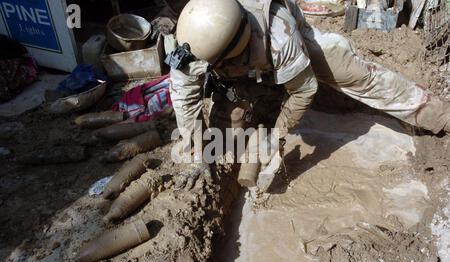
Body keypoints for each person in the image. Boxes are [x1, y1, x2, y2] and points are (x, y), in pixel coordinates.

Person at [168, 0, 450, 190]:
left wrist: (278, 134)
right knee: (225, 142)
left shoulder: (281, 38)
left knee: (356, 74)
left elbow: (304, 90)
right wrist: (196, 153)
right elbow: (184, 98)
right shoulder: (195, 40)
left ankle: (438, 114)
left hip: (296, 39)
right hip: (239, 65)